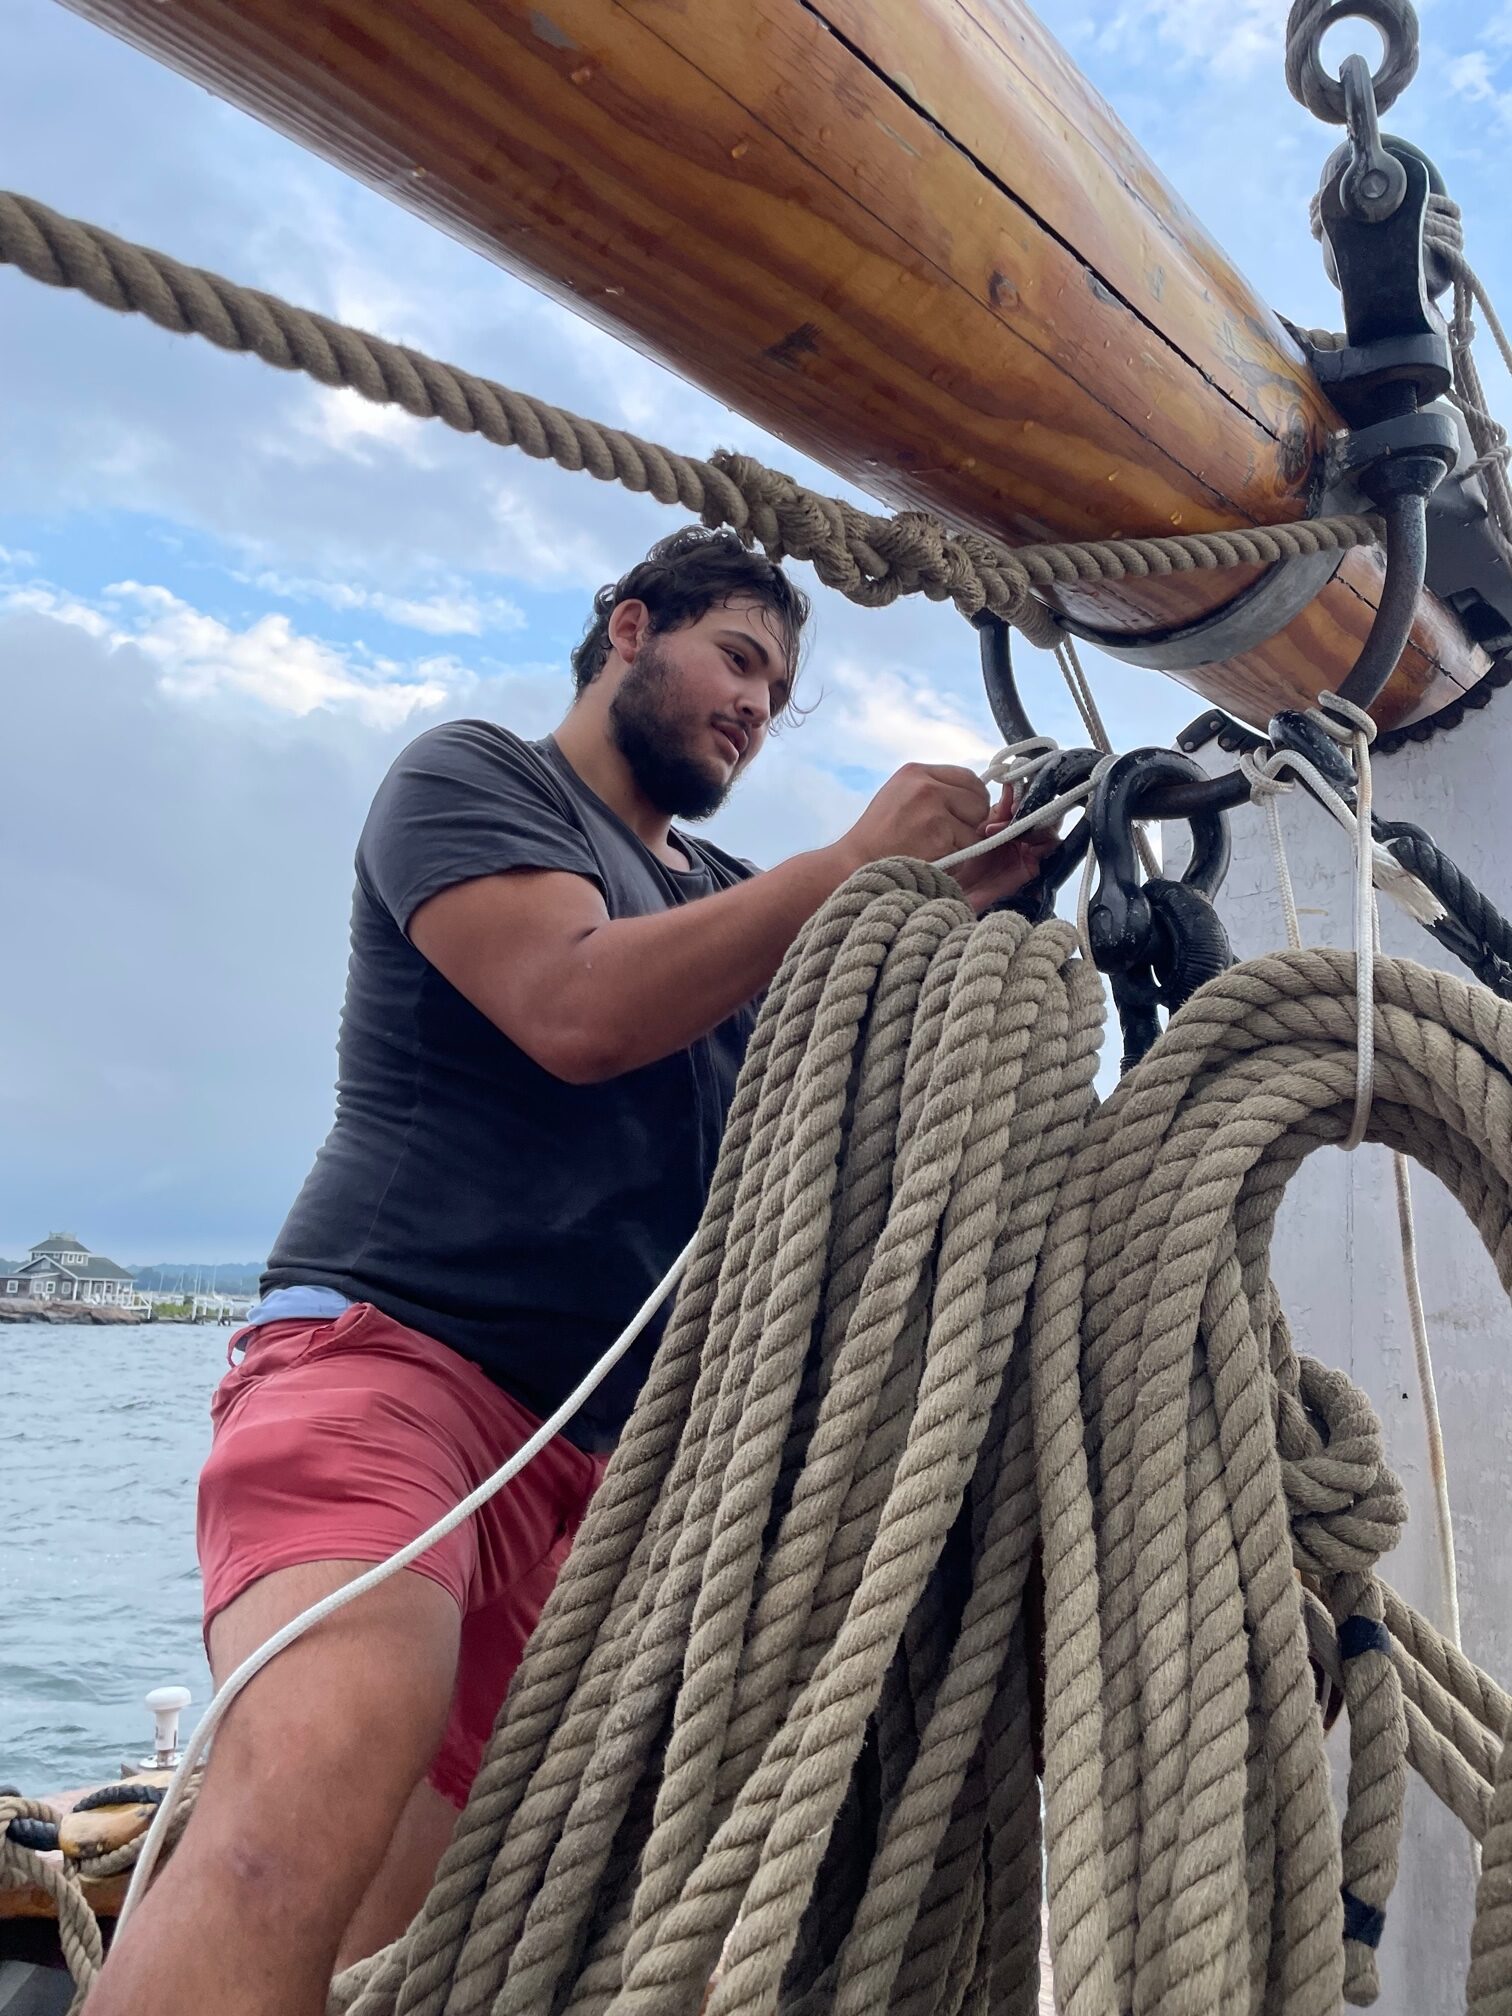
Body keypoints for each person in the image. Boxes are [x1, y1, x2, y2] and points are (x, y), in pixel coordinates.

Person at [88, 528, 1056, 2016]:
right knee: (328, 1758)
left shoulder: (738, 891)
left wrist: (971, 901)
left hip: (599, 1469)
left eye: (782, 688)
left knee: (428, 1915)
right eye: (739, 658)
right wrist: (856, 862)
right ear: (628, 628)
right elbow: (572, 1004)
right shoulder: (473, 779)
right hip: (386, 1367)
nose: (757, 703)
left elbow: (853, 1056)